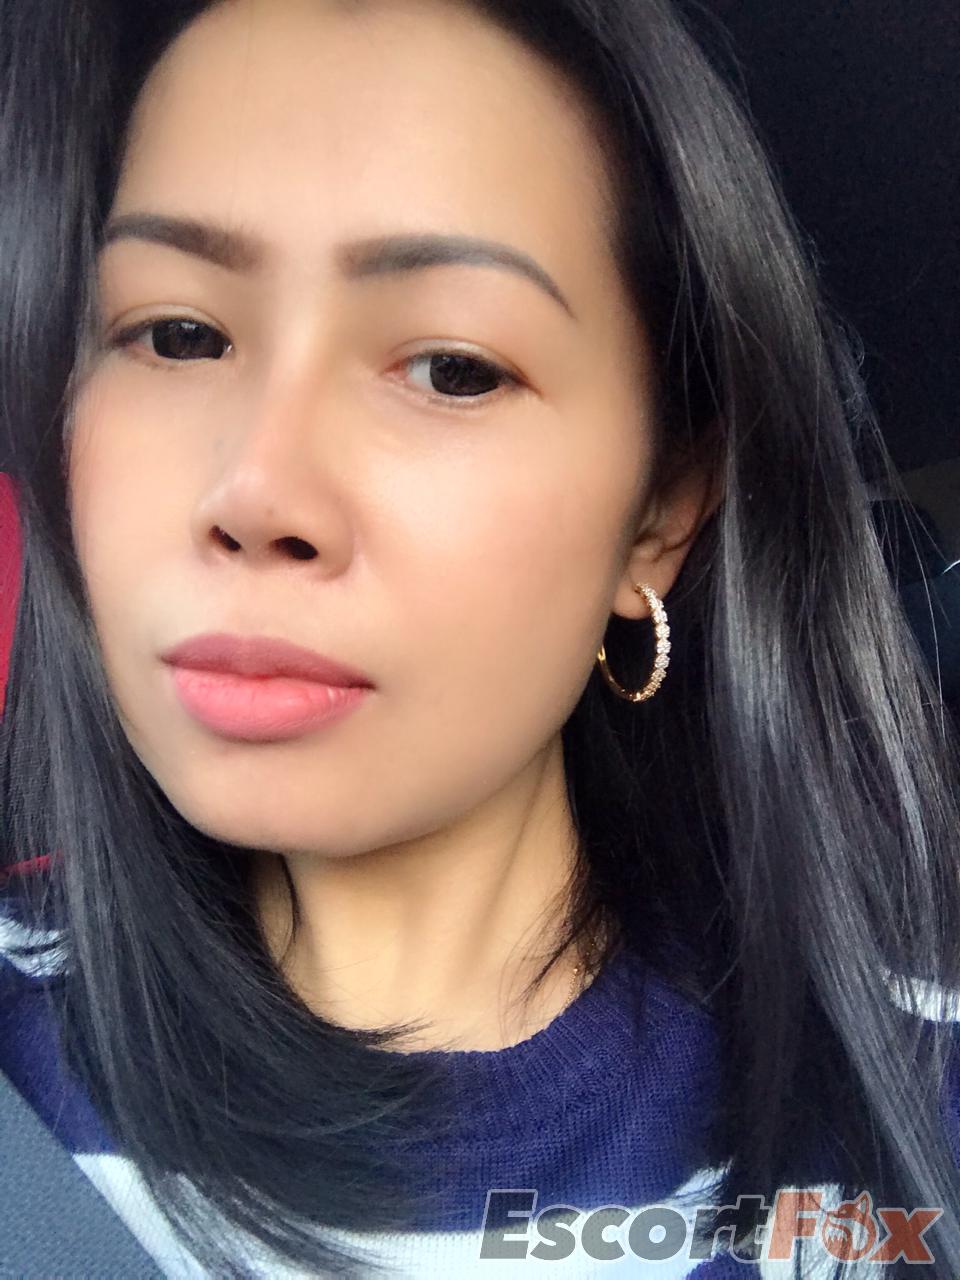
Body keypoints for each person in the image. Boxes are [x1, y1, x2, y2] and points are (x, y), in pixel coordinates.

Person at [1, 0, 959, 1275]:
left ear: (660, 512)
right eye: (179, 334)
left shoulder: (916, 1107)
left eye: (453, 367)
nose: (256, 492)